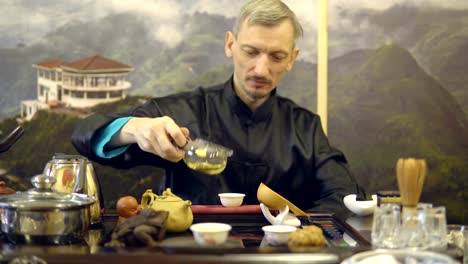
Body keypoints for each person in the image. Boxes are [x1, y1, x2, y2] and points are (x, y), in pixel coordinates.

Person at [72, 0, 365, 216]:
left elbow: (346, 195)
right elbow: (85, 133)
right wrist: (132, 128)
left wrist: (300, 227)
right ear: (230, 45)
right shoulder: (182, 112)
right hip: (189, 254)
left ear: (292, 59)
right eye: (251, 52)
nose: (261, 69)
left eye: (277, 56)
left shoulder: (305, 127)